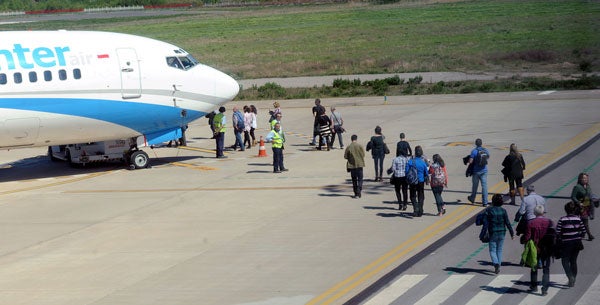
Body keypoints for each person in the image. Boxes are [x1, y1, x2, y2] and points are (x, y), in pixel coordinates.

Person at [524, 205, 553, 295]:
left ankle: (534, 286)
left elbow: (527, 237)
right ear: (543, 212)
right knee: (546, 268)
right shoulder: (549, 222)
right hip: (547, 247)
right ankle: (544, 289)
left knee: (534, 267)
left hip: (535, 248)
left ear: (535, 213)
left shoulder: (531, 223)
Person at [556, 201, 587, 287]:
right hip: (576, 243)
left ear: (566, 210)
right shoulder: (578, 219)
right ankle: (573, 278)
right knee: (573, 261)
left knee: (565, 261)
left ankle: (570, 277)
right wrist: (578, 236)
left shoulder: (562, 219)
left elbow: (557, 232)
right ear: (574, 210)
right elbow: (583, 231)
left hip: (566, 243)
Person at [485, 193, 515, 274]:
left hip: (493, 232)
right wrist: (512, 233)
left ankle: (496, 264)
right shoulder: (503, 211)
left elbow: (485, 222)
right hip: (502, 232)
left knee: (492, 250)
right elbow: (507, 222)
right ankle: (499, 265)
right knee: (499, 249)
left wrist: (484, 232)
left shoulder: (489, 210)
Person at [406, 145, 429, 217]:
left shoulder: (410, 161)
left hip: (413, 181)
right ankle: (421, 209)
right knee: (421, 195)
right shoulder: (423, 163)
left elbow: (406, 171)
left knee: (412, 196)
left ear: (415, 153)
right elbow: (426, 173)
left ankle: (415, 208)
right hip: (421, 181)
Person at [571, 172, 594, 240]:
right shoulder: (577, 187)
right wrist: (579, 203)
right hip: (580, 208)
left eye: (586, 178)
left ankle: (582, 233)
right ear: (580, 179)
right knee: (585, 221)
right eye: (584, 178)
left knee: (582, 222)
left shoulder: (588, 186)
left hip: (587, 206)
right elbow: (573, 197)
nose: (585, 179)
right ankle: (589, 235)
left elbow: (589, 195)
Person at [467, 138, 490, 206]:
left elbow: (470, 161)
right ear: (481, 143)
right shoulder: (485, 150)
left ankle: (472, 198)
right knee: (484, 187)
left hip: (476, 171)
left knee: (475, 186)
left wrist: (469, 160)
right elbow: (488, 157)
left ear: (476, 144)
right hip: (484, 170)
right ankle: (485, 202)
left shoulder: (474, 151)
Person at [345, 134, 365, 199]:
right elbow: (363, 154)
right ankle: (359, 190)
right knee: (360, 178)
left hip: (352, 165)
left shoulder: (349, 147)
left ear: (351, 139)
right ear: (356, 139)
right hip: (359, 164)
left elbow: (345, 156)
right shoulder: (360, 146)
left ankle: (356, 193)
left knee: (354, 180)